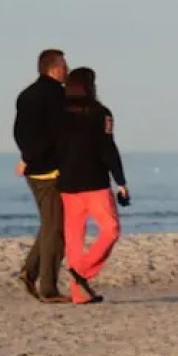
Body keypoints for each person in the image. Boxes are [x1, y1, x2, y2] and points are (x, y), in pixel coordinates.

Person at [56, 67, 130, 305]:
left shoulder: (60, 114)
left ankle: (79, 288)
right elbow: (109, 149)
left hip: (67, 183)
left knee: (75, 238)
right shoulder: (101, 113)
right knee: (111, 229)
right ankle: (82, 275)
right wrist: (121, 181)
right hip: (95, 182)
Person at [13, 48, 70, 303]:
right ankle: (48, 287)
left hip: (34, 169)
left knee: (50, 224)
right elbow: (58, 135)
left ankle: (30, 271)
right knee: (56, 229)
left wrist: (27, 157)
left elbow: (19, 133)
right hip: (50, 170)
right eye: (64, 66)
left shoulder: (26, 95)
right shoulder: (57, 96)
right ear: (53, 68)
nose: (67, 70)